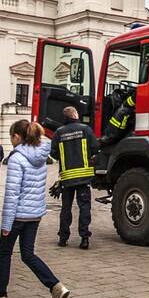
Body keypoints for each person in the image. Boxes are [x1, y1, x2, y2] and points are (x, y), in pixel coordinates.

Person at [0, 120, 70, 298]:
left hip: (17, 216)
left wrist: (6, 223)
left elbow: (12, 193)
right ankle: (56, 287)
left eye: (11, 137)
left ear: (16, 137)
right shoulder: (40, 157)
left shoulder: (17, 158)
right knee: (28, 254)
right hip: (34, 214)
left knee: (5, 254)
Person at [52, 106, 99, 250]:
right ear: (75, 114)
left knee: (66, 208)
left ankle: (63, 238)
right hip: (84, 177)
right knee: (84, 207)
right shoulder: (86, 129)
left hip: (67, 177)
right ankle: (84, 238)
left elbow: (54, 153)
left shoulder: (59, 132)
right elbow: (95, 148)